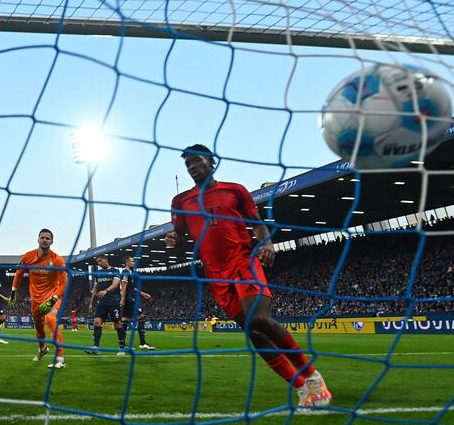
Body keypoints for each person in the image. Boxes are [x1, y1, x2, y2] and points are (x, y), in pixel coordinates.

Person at [166, 144, 332, 407]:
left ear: (212, 162)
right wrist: (174, 237)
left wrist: (266, 244)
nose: (192, 167)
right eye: (187, 165)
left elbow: (257, 223)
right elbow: (181, 231)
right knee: (253, 332)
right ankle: (302, 388)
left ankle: (311, 376)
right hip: (214, 273)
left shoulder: (235, 190)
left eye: (196, 161)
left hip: (243, 261)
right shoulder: (181, 201)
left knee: (259, 319)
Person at [10, 229, 67, 369]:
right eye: (42, 237)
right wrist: (13, 292)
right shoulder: (28, 257)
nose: (45, 240)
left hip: (53, 295)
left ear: (52, 242)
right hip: (36, 299)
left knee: (50, 319)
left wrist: (54, 299)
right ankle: (42, 349)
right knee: (39, 327)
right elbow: (18, 274)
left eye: (48, 238)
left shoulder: (58, 260)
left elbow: (64, 283)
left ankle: (60, 358)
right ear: (38, 239)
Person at [85, 255, 126, 356]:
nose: (99, 263)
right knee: (97, 322)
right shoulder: (98, 273)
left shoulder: (115, 271)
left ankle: (122, 348)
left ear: (106, 260)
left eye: (100, 261)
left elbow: (116, 284)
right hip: (102, 303)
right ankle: (96, 347)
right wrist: (91, 303)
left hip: (113, 302)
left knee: (117, 325)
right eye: (97, 262)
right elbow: (95, 288)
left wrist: (106, 291)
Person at [120, 256, 155, 350]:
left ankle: (123, 346)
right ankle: (142, 343)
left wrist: (143, 294)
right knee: (141, 317)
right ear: (127, 263)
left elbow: (132, 288)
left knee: (125, 319)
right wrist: (123, 299)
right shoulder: (125, 272)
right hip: (130, 299)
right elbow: (123, 286)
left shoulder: (130, 273)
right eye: (132, 261)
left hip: (130, 298)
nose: (134, 262)